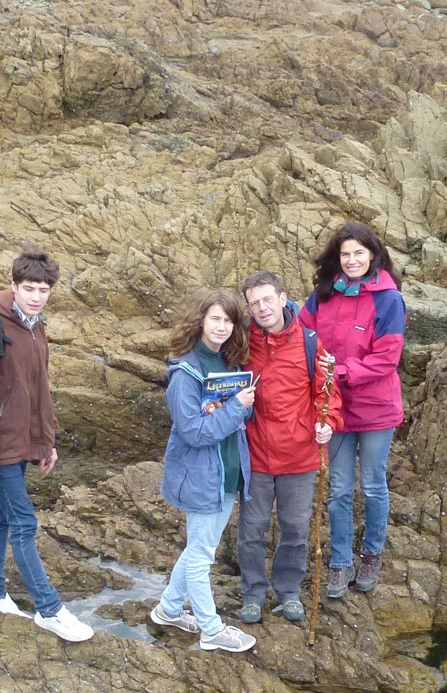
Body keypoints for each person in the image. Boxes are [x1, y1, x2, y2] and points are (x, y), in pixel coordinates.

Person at [0, 246, 93, 641]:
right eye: (29, 288)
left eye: (43, 290)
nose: (36, 297)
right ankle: (49, 609)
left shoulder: (34, 327)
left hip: (21, 442)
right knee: (23, 522)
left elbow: (39, 391)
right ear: (13, 285)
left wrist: (46, 442)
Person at [299, 221, 406, 597]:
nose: (352, 260)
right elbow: (301, 336)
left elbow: (388, 358)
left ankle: (371, 554)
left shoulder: (389, 299)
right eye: (345, 254)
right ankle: (341, 562)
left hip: (376, 409)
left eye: (359, 253)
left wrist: (339, 372)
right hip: (335, 409)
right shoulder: (323, 294)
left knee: (373, 485)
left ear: (373, 255)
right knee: (339, 488)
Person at [151, 290, 256, 653]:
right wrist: (237, 407)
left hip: (227, 473)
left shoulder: (229, 364)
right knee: (201, 555)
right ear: (200, 321)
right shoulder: (185, 372)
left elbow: (234, 418)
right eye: (215, 319)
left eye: (228, 321)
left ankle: (168, 610)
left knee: (200, 547)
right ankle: (211, 629)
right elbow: (194, 432)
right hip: (202, 476)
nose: (222, 327)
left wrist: (243, 406)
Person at [237, 270, 342, 624]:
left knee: (296, 529)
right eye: (254, 303)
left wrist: (328, 422)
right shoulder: (241, 345)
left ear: (283, 299)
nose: (262, 308)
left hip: (300, 456)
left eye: (268, 299)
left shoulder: (310, 342)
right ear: (248, 308)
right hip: (255, 456)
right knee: (251, 530)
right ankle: (253, 593)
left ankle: (288, 590)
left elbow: (326, 393)